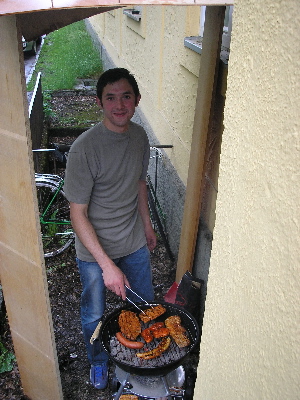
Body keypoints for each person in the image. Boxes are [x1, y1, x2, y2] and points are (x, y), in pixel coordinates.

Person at [63, 68, 157, 390]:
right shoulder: (84, 149)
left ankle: (143, 355)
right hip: (93, 252)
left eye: (126, 96)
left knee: (145, 304)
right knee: (95, 312)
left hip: (132, 242)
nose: (119, 105)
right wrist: (107, 267)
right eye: (111, 98)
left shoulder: (140, 137)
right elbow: (78, 214)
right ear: (99, 102)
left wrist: (147, 226)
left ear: (137, 100)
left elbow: (140, 184)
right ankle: (99, 361)